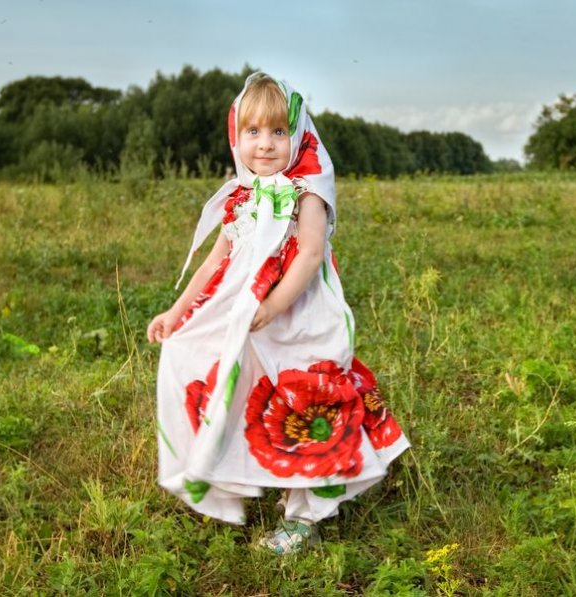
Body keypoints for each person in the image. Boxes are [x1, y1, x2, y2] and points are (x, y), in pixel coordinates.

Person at [147, 73, 409, 555]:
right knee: (234, 382)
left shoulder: (307, 191)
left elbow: (309, 254)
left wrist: (272, 306)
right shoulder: (241, 195)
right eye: (253, 132)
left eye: (277, 132)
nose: (265, 145)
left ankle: (303, 517)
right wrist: (177, 310)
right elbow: (213, 260)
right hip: (248, 313)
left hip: (299, 313)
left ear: (299, 135)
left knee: (302, 397)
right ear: (236, 137)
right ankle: (228, 471)